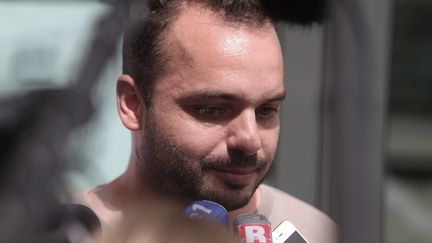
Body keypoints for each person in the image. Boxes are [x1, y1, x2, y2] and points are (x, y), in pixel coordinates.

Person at [81, 0, 337, 242]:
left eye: (266, 110)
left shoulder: (321, 234)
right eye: (212, 110)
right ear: (132, 104)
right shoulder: (63, 231)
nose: (250, 139)